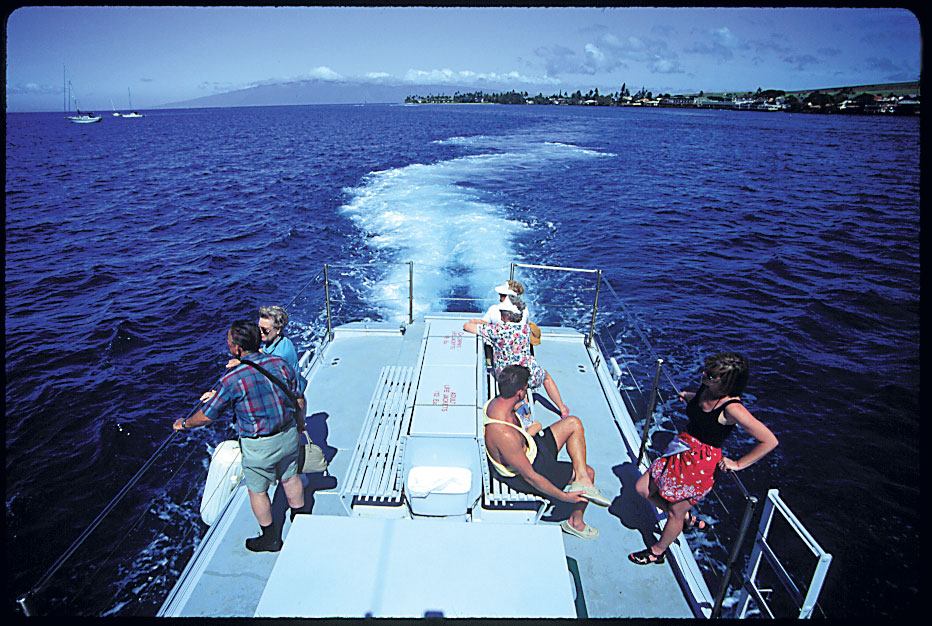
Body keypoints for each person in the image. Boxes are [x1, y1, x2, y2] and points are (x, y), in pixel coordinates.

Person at [629, 352, 779, 565]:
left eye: (711, 375)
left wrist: (737, 464)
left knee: (674, 512)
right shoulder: (705, 389)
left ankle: (658, 551)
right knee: (642, 489)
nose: (704, 375)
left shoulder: (733, 409)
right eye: (707, 371)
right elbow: (700, 406)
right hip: (679, 450)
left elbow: (769, 440)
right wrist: (689, 396)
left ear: (727, 383)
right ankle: (686, 519)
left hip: (699, 465)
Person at [173, 320, 309, 553]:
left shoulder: (231, 379)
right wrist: (299, 426)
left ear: (237, 349)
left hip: (259, 447)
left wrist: (184, 424)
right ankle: (302, 521)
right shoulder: (280, 364)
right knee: (290, 478)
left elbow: (207, 416)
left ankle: (270, 538)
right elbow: (298, 399)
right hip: (287, 434)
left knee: (257, 490)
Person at [483, 365, 610, 539]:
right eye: (526, 389)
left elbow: (516, 442)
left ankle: (581, 480)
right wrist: (565, 497)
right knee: (590, 472)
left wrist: (530, 432)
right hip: (531, 470)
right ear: (520, 392)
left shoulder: (498, 403)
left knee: (573, 423)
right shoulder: (504, 434)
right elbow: (531, 477)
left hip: (529, 449)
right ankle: (575, 523)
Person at [464, 296, 569, 418]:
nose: (500, 314)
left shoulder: (497, 330)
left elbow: (467, 326)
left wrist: (477, 322)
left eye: (502, 312)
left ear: (508, 316)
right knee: (546, 378)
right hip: (527, 374)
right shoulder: (526, 329)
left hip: (507, 376)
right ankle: (563, 409)